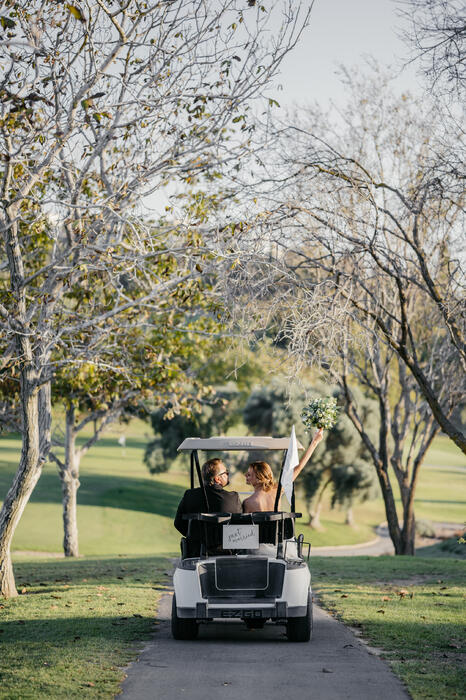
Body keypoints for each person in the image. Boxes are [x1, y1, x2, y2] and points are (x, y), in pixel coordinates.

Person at [242, 428, 324, 513]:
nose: (245, 475)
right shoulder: (277, 490)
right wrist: (314, 442)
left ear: (260, 478)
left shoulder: (248, 502)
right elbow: (298, 468)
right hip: (279, 526)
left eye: (249, 474)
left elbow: (247, 526)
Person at [174, 457, 242, 536]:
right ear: (217, 479)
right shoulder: (233, 497)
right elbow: (239, 525)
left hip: (196, 547)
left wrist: (194, 538)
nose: (227, 474)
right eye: (226, 473)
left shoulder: (189, 495)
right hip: (223, 547)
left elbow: (178, 523)